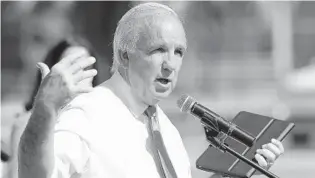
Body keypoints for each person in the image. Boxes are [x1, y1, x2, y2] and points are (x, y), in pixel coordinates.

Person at [18, 3, 284, 178]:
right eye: (158, 50)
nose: (171, 64)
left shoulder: (166, 130)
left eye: (179, 52)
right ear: (124, 56)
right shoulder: (87, 114)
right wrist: (45, 109)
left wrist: (237, 172)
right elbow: (34, 175)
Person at [8, 38, 99, 178]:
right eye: (71, 67)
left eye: (85, 68)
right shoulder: (27, 123)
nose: (78, 75)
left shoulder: (104, 119)